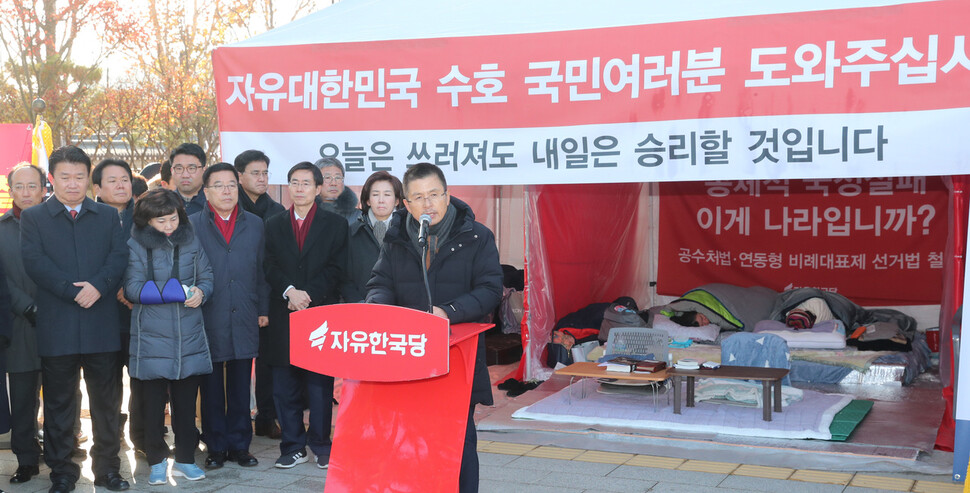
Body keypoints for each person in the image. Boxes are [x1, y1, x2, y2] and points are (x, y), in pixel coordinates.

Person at [366, 162, 502, 493]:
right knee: (411, 442)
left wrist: (449, 312)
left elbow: (490, 289)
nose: (428, 205)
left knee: (458, 443)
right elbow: (379, 282)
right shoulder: (398, 237)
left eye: (434, 195)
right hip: (408, 357)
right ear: (407, 204)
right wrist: (379, 308)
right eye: (418, 197)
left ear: (447, 194)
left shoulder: (477, 236)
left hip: (457, 356)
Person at [20, 145, 131, 493]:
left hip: (101, 324)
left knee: (107, 403)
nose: (72, 184)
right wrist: (73, 291)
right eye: (65, 177)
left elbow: (118, 257)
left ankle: (108, 470)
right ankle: (63, 471)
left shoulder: (106, 216)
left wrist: (98, 286)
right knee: (59, 404)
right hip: (58, 324)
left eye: (79, 176)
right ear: (51, 179)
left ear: (89, 178)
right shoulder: (35, 217)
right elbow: (35, 263)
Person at [124, 188, 213, 485]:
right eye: (161, 221)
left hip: (188, 336)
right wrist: (161, 294)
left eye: (173, 219)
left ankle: (186, 458)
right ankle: (157, 461)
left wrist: (201, 292)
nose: (168, 226)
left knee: (186, 405)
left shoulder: (192, 241)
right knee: (151, 407)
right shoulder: (136, 245)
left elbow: (207, 277)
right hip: (151, 337)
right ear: (147, 221)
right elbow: (131, 288)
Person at [263, 161, 348, 469]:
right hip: (284, 310)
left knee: (319, 384)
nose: (299, 189)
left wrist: (306, 294)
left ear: (318, 188)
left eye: (305, 183)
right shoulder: (273, 224)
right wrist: (290, 291)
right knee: (284, 384)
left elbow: (338, 268)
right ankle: (293, 446)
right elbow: (268, 265)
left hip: (319, 311)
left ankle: (321, 444)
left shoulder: (335, 225)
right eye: (294, 183)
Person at [190, 163, 267, 469]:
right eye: (218, 186)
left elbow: (262, 271)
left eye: (231, 185)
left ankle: (240, 444)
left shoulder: (256, 224)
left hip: (245, 311)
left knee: (239, 382)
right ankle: (215, 446)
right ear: (206, 192)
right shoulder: (192, 224)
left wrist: (262, 309)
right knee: (210, 386)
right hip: (208, 312)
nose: (226, 191)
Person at [234, 149, 284, 440]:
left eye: (265, 172)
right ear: (239, 176)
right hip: (235, 294)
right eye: (255, 173)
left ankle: (266, 416)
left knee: (268, 361)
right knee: (236, 363)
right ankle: (238, 421)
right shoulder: (229, 208)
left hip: (269, 294)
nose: (262, 178)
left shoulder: (277, 211)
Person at [91, 158, 142, 448]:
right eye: (112, 180)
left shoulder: (146, 216)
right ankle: (108, 441)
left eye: (124, 179)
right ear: (97, 187)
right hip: (101, 316)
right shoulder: (88, 219)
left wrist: (134, 288)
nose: (121, 185)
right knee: (105, 386)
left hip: (140, 315)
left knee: (143, 384)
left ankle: (144, 437)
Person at [0, 163, 44, 485]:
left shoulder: (59, 223)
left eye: (33, 186)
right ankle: (26, 458)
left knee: (64, 394)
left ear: (44, 188)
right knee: (23, 395)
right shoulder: (1, 229)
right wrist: (25, 305)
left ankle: (61, 450)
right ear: (10, 189)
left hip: (62, 320)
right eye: (20, 186)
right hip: (18, 325)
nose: (26, 193)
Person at [342, 170, 403, 302]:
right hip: (361, 308)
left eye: (387, 194)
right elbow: (344, 278)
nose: (381, 200)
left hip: (402, 310)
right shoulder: (352, 232)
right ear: (368, 200)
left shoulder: (408, 231)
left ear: (397, 200)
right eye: (375, 194)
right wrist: (358, 303)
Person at [314, 157, 361, 223]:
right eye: (327, 178)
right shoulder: (303, 215)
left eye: (338, 177)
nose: (333, 183)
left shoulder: (358, 217)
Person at [169, 144, 207, 214]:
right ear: (172, 171)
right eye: (179, 169)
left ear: (204, 170)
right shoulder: (163, 203)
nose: (185, 175)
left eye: (191, 168)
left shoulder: (215, 203)